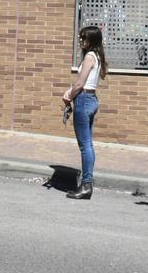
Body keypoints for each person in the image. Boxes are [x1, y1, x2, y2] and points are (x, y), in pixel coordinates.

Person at [62, 25, 107, 200]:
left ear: (92, 40)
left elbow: (80, 84)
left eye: (84, 38)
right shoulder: (96, 56)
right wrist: (72, 91)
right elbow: (86, 83)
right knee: (88, 144)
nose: (80, 40)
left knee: (85, 145)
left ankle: (86, 185)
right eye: (80, 37)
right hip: (91, 99)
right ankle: (87, 182)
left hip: (83, 100)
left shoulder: (89, 56)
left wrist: (69, 96)